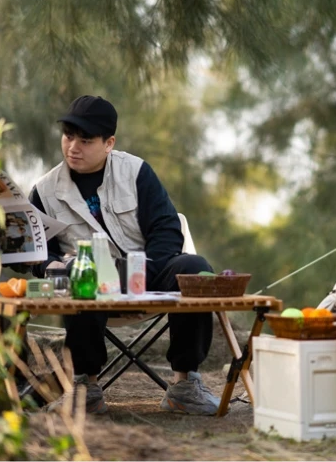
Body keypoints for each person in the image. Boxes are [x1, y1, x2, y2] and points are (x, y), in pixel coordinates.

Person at [29, 95, 219, 416]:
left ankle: (185, 385)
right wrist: (55, 266)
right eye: (68, 136)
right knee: (83, 276)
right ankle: (85, 388)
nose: (73, 146)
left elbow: (167, 230)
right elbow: (36, 255)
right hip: (89, 280)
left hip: (144, 270)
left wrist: (141, 272)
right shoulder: (44, 191)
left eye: (85, 140)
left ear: (109, 143)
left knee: (196, 269)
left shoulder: (136, 172)